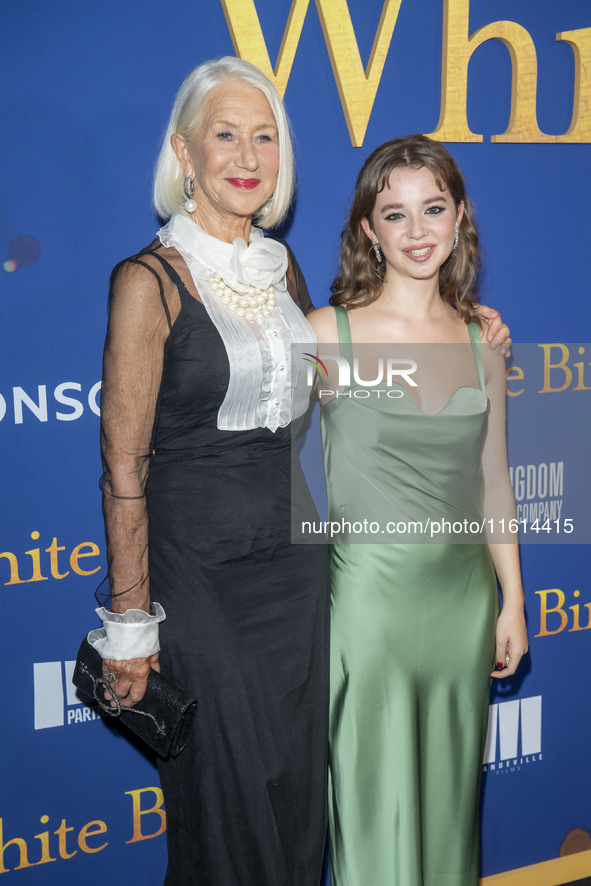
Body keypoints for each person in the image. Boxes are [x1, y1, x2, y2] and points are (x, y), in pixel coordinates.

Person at [94, 58, 510, 886]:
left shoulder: (278, 274)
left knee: (294, 807)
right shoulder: (149, 282)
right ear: (184, 151)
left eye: (265, 136)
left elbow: (370, 360)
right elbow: (121, 466)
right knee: (226, 805)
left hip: (295, 571)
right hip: (202, 577)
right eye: (225, 135)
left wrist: (473, 330)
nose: (247, 155)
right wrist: (132, 622)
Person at [308, 135, 528, 886]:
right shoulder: (321, 334)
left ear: (459, 215)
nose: (416, 231)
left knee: (448, 813)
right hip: (365, 609)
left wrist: (513, 602)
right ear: (367, 229)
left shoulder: (481, 344)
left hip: (462, 604)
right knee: (374, 814)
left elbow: (492, 482)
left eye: (432, 208)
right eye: (393, 214)